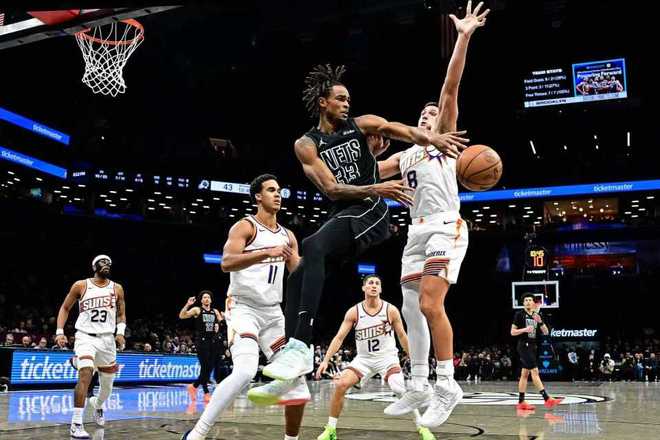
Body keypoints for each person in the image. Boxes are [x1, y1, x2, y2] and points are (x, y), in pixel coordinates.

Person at [263, 58, 469, 385]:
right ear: (323, 102)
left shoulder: (362, 125)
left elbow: (401, 130)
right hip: (346, 209)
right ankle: (290, 359)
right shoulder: (307, 144)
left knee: (312, 244)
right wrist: (372, 171)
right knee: (299, 272)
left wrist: (432, 139)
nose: (347, 104)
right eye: (340, 99)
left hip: (373, 210)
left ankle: (301, 345)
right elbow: (332, 189)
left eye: (348, 99)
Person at [378, 1, 488, 427]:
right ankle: (419, 382)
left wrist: (463, 37)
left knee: (429, 301)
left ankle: (447, 383)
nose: (429, 116)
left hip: (445, 225)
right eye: (423, 115)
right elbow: (364, 176)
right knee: (410, 305)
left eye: (433, 115)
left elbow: (450, 86)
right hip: (415, 232)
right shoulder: (405, 157)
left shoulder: (445, 141)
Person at [182, 174, 308, 440]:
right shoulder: (245, 227)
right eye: (271, 190)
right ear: (258, 197)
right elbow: (226, 263)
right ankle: (197, 434)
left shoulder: (288, 236)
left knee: (297, 380)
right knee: (245, 371)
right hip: (243, 309)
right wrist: (266, 253)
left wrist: (313, 261)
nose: (278, 194)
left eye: (279, 190)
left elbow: (298, 275)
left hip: (273, 313)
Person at [315, 275, 435, 440]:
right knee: (341, 384)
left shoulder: (390, 310)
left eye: (377, 283)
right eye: (370, 283)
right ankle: (330, 430)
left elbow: (402, 336)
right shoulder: (354, 311)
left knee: (398, 388)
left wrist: (415, 361)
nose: (374, 286)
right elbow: (339, 338)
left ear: (381, 289)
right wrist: (325, 360)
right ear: (363, 288)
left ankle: (422, 427)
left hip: (387, 358)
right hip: (364, 359)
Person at [55, 254, 126, 439]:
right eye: (103, 262)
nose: (107, 264)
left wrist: (120, 332)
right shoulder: (81, 285)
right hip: (85, 337)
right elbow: (65, 308)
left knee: (107, 388)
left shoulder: (117, 288)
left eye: (109, 263)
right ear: (94, 266)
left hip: (107, 340)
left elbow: (121, 314)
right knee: (85, 374)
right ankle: (76, 423)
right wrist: (60, 332)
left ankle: (98, 404)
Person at [510, 294, 562, 411]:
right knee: (535, 371)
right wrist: (525, 329)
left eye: (530, 300)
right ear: (523, 303)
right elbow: (512, 332)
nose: (528, 302)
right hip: (524, 346)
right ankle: (547, 399)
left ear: (533, 303)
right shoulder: (519, 314)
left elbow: (546, 332)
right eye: (526, 300)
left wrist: (541, 322)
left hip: (533, 346)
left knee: (524, 374)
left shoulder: (536, 315)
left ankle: (521, 402)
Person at [179, 290, 224, 403]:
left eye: (208, 297)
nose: (206, 299)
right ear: (201, 300)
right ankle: (205, 392)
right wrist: (188, 304)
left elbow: (222, 323)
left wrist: (224, 319)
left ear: (211, 300)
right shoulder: (197, 310)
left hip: (213, 342)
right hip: (201, 342)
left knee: (208, 368)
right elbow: (182, 316)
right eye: (204, 297)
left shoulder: (215, 311)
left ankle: (193, 386)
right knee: (205, 367)